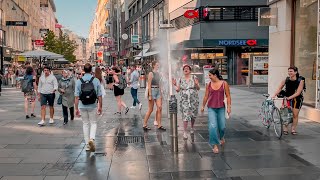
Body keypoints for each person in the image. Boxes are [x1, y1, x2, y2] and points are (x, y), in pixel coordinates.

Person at [201, 69, 231, 154]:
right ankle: (215, 145)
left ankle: (222, 137)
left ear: (215, 75)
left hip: (221, 107)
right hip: (211, 108)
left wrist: (229, 107)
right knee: (212, 126)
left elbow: (228, 96)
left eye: (210, 75)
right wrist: (203, 106)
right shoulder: (209, 84)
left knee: (222, 126)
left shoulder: (224, 83)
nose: (208, 77)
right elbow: (206, 96)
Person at [75, 63, 102, 152]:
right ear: (91, 71)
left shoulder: (79, 81)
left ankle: (87, 145)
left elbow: (76, 96)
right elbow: (99, 95)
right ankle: (92, 138)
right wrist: (100, 107)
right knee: (93, 123)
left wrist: (76, 108)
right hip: (92, 105)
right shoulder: (96, 80)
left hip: (82, 105)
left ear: (83, 70)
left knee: (85, 124)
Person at [272, 66, 304, 135]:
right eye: (289, 71)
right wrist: (274, 95)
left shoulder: (300, 81)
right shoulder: (286, 80)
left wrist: (290, 97)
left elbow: (298, 92)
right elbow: (279, 88)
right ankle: (285, 128)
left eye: (291, 71)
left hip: (297, 99)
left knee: (295, 115)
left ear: (295, 72)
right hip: (287, 98)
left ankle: (293, 129)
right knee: (285, 113)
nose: (289, 73)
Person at [172, 64, 200, 139]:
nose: (186, 69)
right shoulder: (181, 79)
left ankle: (192, 128)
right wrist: (174, 84)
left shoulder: (194, 77)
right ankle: (185, 132)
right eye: (184, 68)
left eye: (187, 68)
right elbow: (178, 90)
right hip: (184, 100)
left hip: (193, 99)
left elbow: (198, 88)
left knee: (193, 115)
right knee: (185, 114)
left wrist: (196, 84)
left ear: (190, 70)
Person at [143, 61, 166, 131]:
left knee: (160, 107)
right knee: (150, 109)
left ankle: (159, 125)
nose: (158, 66)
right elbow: (149, 84)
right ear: (153, 66)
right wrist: (150, 95)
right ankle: (144, 124)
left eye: (158, 65)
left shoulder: (159, 73)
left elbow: (160, 83)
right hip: (152, 90)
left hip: (158, 90)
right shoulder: (151, 73)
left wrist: (161, 92)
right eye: (157, 65)